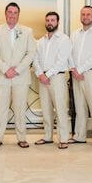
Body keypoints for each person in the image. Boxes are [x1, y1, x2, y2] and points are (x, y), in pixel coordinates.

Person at [0, 2, 36, 148]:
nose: (12, 15)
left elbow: (31, 53)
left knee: (20, 108)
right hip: (1, 76)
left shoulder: (27, 31)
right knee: (1, 108)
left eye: (15, 13)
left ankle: (21, 138)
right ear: (5, 13)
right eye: (10, 12)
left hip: (20, 76)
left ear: (18, 15)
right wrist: (5, 69)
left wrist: (17, 69)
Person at [33, 11, 72, 149]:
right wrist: (40, 74)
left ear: (57, 22)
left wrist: (47, 75)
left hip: (57, 78)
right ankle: (48, 136)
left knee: (60, 109)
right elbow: (35, 59)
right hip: (42, 78)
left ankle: (63, 139)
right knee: (46, 109)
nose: (50, 22)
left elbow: (61, 61)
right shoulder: (40, 41)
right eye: (48, 20)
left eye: (53, 20)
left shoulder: (64, 39)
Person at [70, 5, 92, 149]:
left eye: (88, 14)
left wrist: (80, 69)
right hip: (76, 74)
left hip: (90, 73)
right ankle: (79, 135)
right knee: (80, 106)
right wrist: (74, 69)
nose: (85, 17)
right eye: (83, 14)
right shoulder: (75, 33)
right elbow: (70, 53)